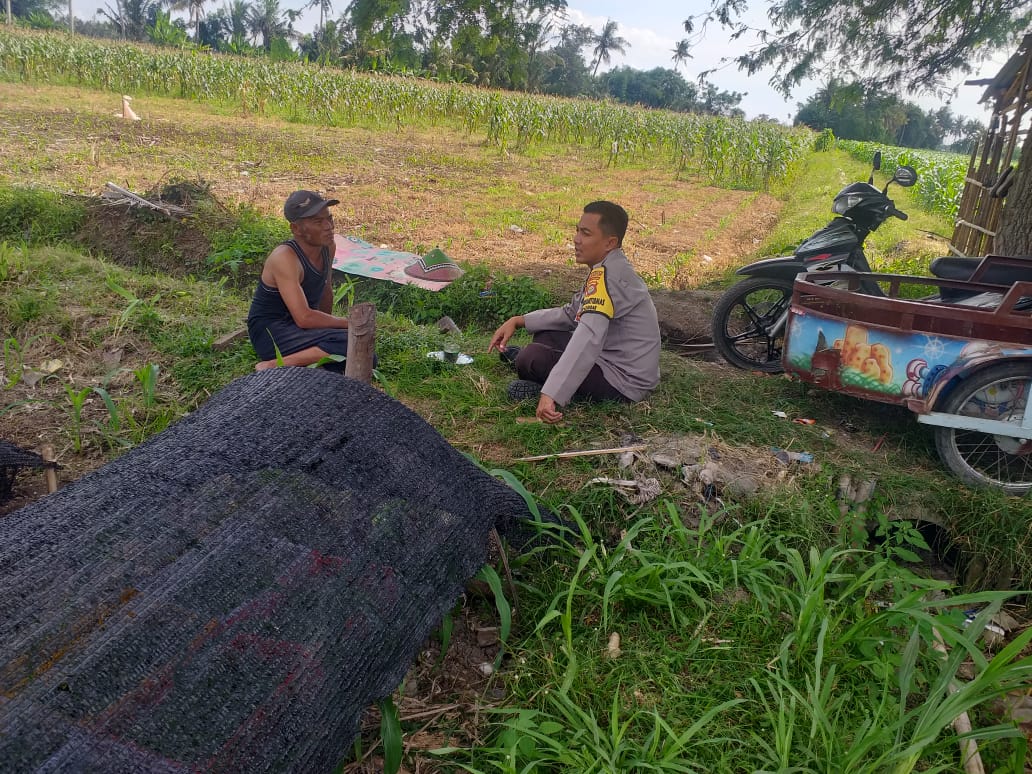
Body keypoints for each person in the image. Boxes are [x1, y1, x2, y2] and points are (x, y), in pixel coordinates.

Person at [488, 201, 661, 424]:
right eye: (577, 230)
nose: (576, 239)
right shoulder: (607, 267)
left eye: (586, 233)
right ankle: (539, 371)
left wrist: (551, 393)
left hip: (624, 382)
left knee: (532, 357)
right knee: (546, 333)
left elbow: (588, 336)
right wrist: (519, 321)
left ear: (610, 242)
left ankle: (560, 392)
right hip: (609, 357)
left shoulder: (609, 278)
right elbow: (571, 314)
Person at [248, 190, 350, 371]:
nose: (328, 226)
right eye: (318, 222)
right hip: (271, 331)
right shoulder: (285, 258)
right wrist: (348, 324)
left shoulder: (328, 247)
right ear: (296, 229)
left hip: (299, 328)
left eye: (329, 218)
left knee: (363, 350)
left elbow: (325, 289)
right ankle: (272, 364)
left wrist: (327, 330)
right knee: (347, 342)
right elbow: (304, 318)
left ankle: (305, 361)